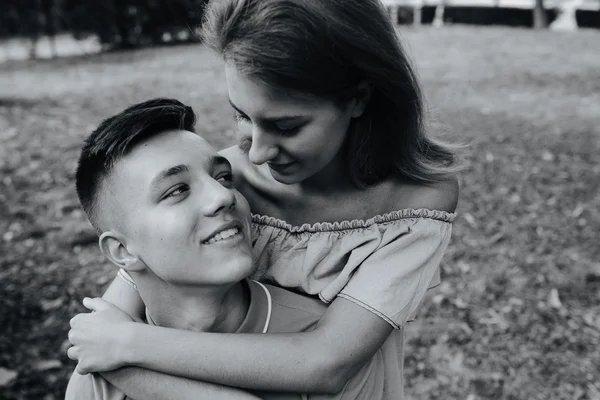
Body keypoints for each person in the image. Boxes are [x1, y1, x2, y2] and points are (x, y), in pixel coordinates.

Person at [67, 0, 460, 398]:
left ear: (358, 98)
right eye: (242, 115)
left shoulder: (413, 203)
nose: (255, 153)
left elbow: (326, 363)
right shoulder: (225, 181)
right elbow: (108, 319)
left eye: (285, 126)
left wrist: (129, 348)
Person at [66, 98, 394, 400]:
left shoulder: (331, 347)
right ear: (122, 251)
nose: (223, 197)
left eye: (223, 177)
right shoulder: (97, 375)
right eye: (177, 190)